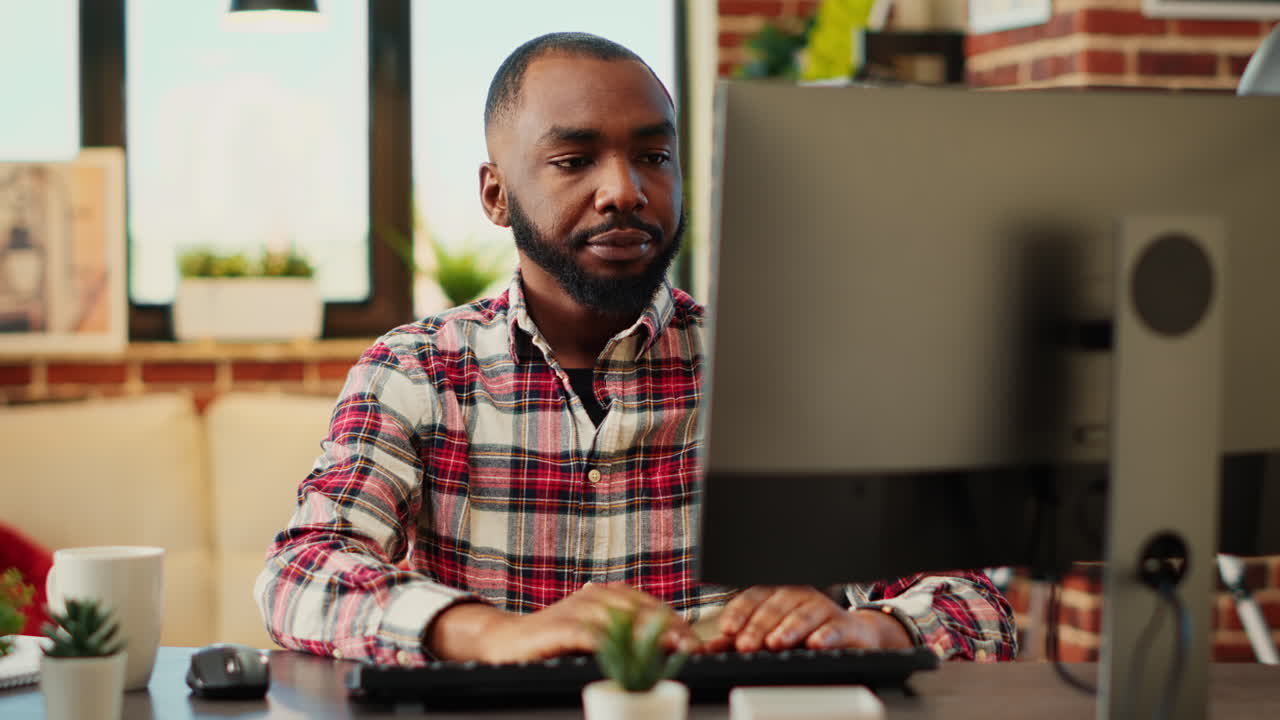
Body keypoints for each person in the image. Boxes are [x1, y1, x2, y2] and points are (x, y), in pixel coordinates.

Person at [254, 32, 1017, 667]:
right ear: (495, 195)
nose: (624, 189)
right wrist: (494, 633)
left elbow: (975, 601)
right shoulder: (417, 370)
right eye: (574, 159)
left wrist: (870, 631)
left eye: (654, 157)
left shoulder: (785, 370)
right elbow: (299, 573)